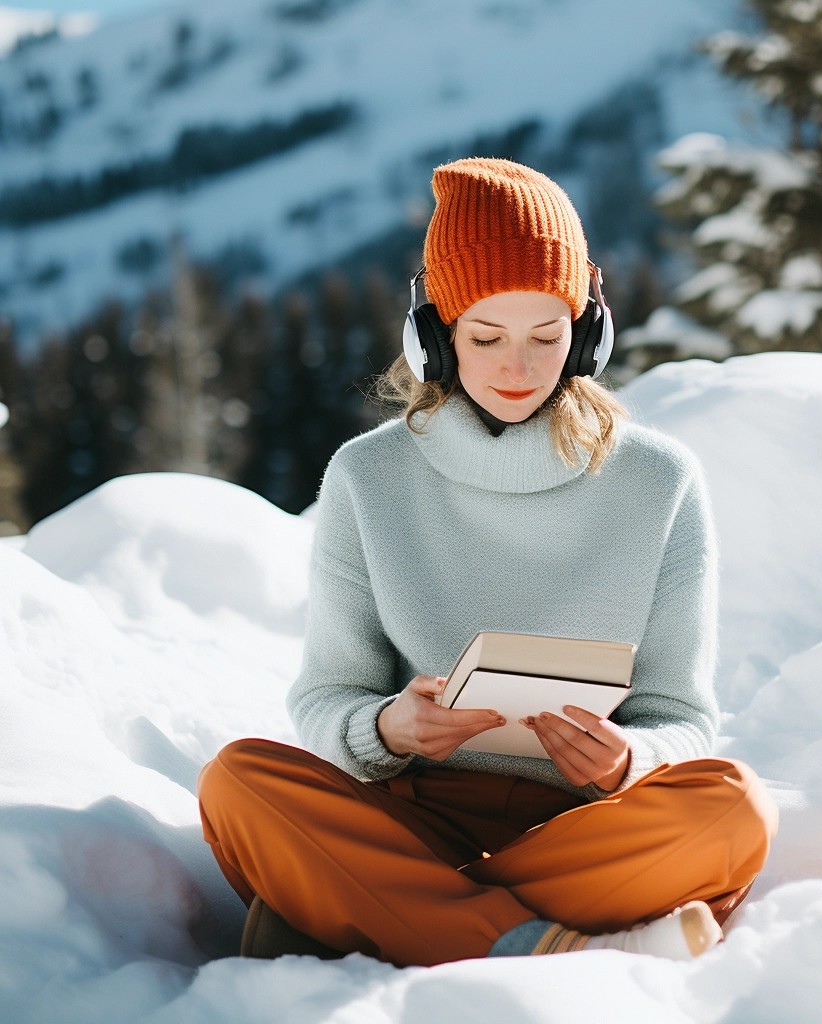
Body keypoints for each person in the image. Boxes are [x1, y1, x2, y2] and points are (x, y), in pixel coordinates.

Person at [197, 157, 778, 968]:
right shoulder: (369, 477)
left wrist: (629, 760)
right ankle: (538, 939)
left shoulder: (659, 481)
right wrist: (386, 725)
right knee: (239, 782)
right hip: (414, 814)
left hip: (584, 825)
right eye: (485, 337)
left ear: (588, 334)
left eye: (547, 336)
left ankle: (383, 912)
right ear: (435, 340)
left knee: (733, 807)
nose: (518, 367)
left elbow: (681, 718)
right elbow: (330, 697)